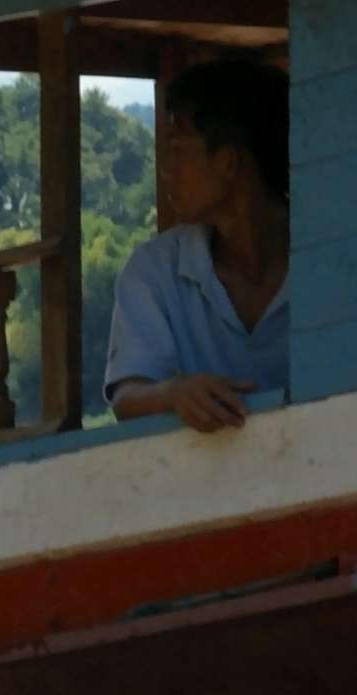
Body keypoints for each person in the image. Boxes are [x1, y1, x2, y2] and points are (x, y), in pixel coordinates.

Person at [105, 58, 289, 435]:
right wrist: (174, 394)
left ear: (227, 162)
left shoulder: (331, 256)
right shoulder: (154, 270)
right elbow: (127, 396)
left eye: (177, 150)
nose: (165, 169)